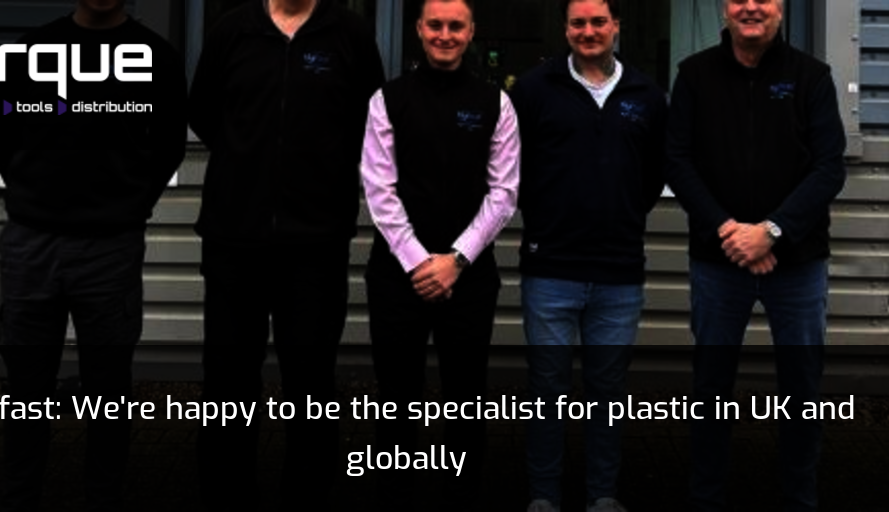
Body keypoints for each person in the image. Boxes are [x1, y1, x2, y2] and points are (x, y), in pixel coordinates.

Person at [0, 0, 188, 510]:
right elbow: (0, 134)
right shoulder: (32, 50)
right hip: (32, 243)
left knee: (108, 386)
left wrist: (129, 204)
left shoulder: (155, 57)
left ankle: (103, 496)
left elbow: (169, 145)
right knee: (26, 384)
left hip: (110, 248)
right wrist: (34, 193)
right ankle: (19, 496)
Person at [187, 0, 385, 510]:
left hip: (316, 245)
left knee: (311, 382)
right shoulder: (232, 30)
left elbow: (369, 124)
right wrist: (249, 161)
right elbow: (204, 111)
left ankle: (306, 497)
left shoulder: (349, 35)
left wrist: (321, 176)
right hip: (234, 240)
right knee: (228, 381)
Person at [665, 0, 847, 510]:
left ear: (780, 8)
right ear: (725, 8)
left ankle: (799, 498)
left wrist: (772, 232)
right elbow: (676, 161)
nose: (751, 7)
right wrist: (730, 231)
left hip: (798, 264)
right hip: (719, 260)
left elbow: (829, 167)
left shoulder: (812, 77)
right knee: (711, 388)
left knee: (802, 389)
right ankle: (706, 498)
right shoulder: (694, 75)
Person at [360, 1, 519, 510]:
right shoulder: (388, 99)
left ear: (471, 32)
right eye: (435, 25)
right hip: (397, 276)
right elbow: (379, 189)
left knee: (465, 399)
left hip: (469, 278)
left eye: (455, 26)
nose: (444, 35)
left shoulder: (496, 103)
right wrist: (418, 262)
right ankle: (395, 497)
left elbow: (503, 195)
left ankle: (461, 497)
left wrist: (456, 259)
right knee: (396, 397)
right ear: (419, 29)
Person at [509, 1, 667, 511]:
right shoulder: (533, 90)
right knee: (547, 388)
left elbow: (651, 176)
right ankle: (544, 496)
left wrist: (619, 213)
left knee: (608, 390)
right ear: (565, 29)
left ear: (616, 25)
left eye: (599, 21)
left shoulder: (646, 95)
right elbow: (512, 170)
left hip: (619, 271)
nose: (589, 30)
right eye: (578, 22)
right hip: (551, 268)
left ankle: (602, 495)